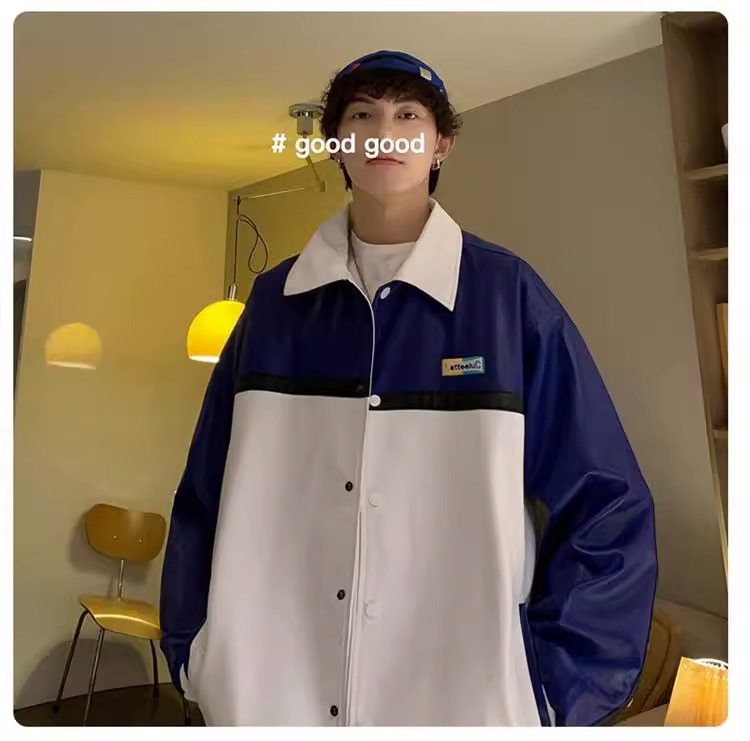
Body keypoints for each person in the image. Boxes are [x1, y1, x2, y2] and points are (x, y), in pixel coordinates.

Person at [160, 50, 658, 727]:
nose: (382, 134)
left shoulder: (507, 299)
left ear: (441, 143)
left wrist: (553, 689)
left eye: (407, 116)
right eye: (361, 116)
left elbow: (607, 502)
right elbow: (204, 493)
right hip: (270, 695)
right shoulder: (275, 304)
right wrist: (197, 652)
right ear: (337, 144)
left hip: (457, 701)